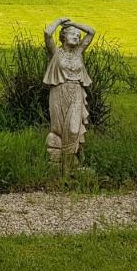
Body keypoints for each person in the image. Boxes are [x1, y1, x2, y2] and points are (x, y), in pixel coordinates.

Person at [43, 17, 95, 165]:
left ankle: (68, 165)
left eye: (78, 36)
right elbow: (47, 33)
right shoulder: (55, 52)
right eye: (73, 34)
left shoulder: (79, 52)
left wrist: (74, 24)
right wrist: (59, 21)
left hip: (76, 92)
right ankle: (65, 164)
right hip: (58, 92)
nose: (77, 37)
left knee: (73, 129)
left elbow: (91, 32)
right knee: (58, 129)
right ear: (63, 36)